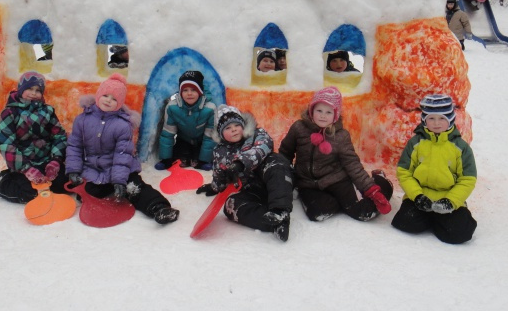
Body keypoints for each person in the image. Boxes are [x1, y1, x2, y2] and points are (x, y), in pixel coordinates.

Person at [66, 73, 179, 224]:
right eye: (106, 95)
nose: (109, 100)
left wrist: (119, 180)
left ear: (120, 104)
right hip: (93, 170)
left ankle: (159, 208)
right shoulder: (82, 120)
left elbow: (122, 154)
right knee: (88, 193)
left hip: (120, 168)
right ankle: (106, 189)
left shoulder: (122, 125)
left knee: (134, 187)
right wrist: (73, 170)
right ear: (98, 95)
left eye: (114, 99)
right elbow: (75, 146)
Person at [279, 86, 393, 222]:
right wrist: (285, 180)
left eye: (328, 112)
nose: (322, 115)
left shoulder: (340, 135)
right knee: (317, 213)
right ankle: (338, 203)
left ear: (335, 115)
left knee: (363, 213)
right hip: (307, 183)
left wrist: (371, 189)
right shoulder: (299, 128)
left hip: (337, 180)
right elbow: (285, 153)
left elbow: (352, 164)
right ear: (311, 110)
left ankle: (383, 183)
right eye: (319, 110)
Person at [196, 105, 294, 241]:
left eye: (237, 125)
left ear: (243, 125)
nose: (234, 129)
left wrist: (240, 163)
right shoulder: (220, 152)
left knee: (276, 161)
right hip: (251, 189)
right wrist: (215, 185)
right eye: (228, 128)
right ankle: (273, 223)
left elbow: (263, 147)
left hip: (272, 181)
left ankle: (280, 210)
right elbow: (219, 171)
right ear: (220, 134)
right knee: (230, 205)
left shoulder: (258, 134)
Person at [392, 94, 477, 244]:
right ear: (424, 119)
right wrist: (417, 196)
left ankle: (444, 218)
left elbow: (468, 179)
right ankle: (433, 219)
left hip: (448, 197)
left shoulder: (461, 148)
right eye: (431, 118)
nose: (436, 123)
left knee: (459, 234)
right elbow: (404, 172)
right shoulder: (415, 143)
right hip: (421, 197)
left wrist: (451, 201)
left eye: (442, 118)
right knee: (405, 223)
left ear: (450, 119)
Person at [0, 71, 69, 204]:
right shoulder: (10, 113)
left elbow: (59, 136)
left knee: (65, 184)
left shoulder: (48, 111)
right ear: (21, 89)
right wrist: (26, 168)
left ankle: (48, 177)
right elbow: (6, 144)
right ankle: (3, 180)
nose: (33, 93)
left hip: (46, 162)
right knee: (27, 192)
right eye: (29, 88)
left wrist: (55, 161)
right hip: (23, 165)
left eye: (38, 90)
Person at [155, 70, 216, 171]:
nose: (189, 93)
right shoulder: (172, 107)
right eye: (185, 90)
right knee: (181, 154)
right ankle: (184, 157)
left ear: (200, 92)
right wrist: (165, 159)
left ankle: (198, 158)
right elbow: (168, 133)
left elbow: (209, 137)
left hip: (201, 141)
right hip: (183, 139)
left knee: (198, 157)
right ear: (180, 92)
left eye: (193, 90)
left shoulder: (209, 109)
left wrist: (205, 160)